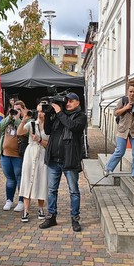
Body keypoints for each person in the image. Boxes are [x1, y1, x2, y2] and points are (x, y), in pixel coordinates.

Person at [40, 92, 87, 232]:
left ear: (78, 103)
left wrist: (60, 113)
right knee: (51, 190)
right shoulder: (59, 115)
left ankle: (75, 219)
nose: (68, 103)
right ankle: (51, 216)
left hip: (70, 160)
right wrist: (48, 114)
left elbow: (72, 126)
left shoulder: (81, 116)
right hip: (54, 160)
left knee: (74, 191)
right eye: (67, 101)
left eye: (71, 101)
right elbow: (48, 131)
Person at [104, 79, 134, 179]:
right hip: (122, 130)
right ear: (127, 91)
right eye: (130, 91)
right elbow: (115, 113)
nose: (132, 93)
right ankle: (108, 168)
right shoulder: (123, 100)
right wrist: (126, 108)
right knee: (120, 151)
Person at [17, 101, 49, 222]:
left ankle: (41, 208)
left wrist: (40, 140)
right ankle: (26, 211)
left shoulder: (49, 127)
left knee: (41, 180)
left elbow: (49, 145)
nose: (39, 114)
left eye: (42, 111)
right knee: (27, 180)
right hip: (30, 153)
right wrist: (24, 119)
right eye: (38, 111)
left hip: (42, 153)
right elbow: (19, 133)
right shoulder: (31, 124)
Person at [0, 100, 27, 212]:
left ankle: (21, 201)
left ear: (23, 110)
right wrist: (9, 117)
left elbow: (24, 132)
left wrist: (18, 119)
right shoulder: (8, 120)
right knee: (10, 178)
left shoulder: (25, 120)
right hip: (5, 155)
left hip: (18, 156)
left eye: (19, 109)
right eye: (15, 109)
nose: (16, 111)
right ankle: (9, 200)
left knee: (20, 178)